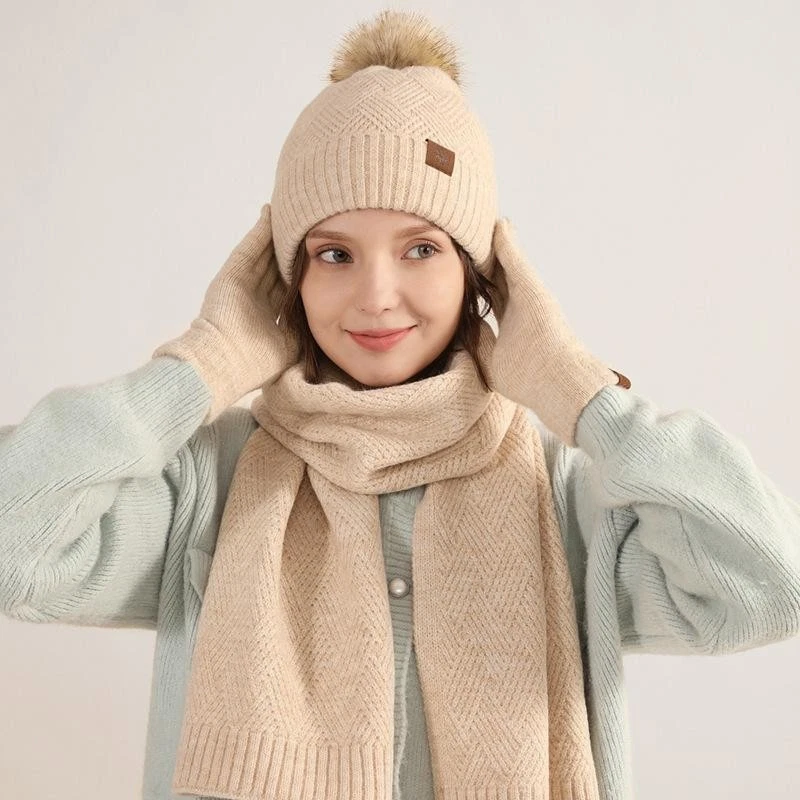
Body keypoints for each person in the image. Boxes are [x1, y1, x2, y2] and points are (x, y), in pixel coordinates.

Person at [2, 9, 799, 800]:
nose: (376, 296)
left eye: (421, 247)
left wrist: (578, 391)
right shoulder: (215, 487)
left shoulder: (564, 500)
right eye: (334, 254)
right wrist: (199, 369)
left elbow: (769, 585)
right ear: (291, 280)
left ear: (478, 269)